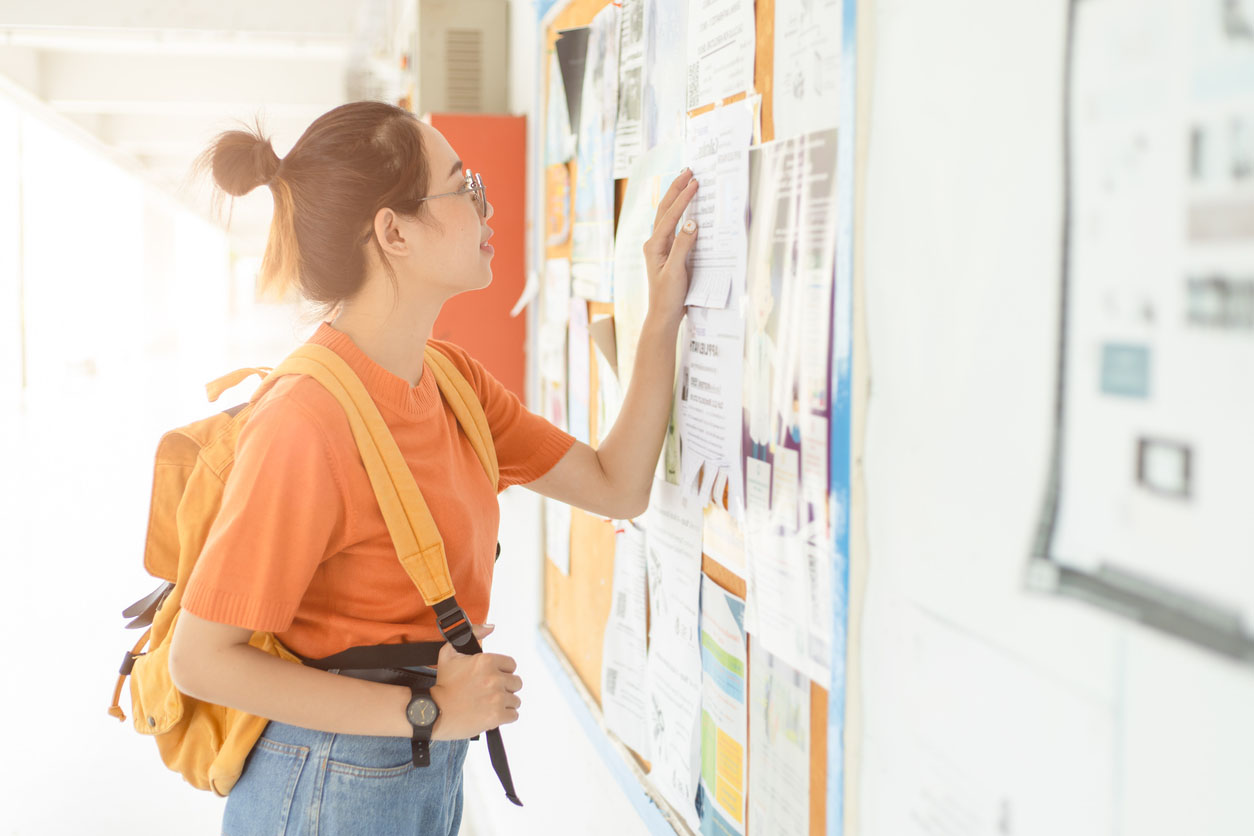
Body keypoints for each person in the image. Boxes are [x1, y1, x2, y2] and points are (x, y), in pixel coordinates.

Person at [168, 101, 699, 835]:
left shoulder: (453, 381)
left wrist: (662, 315)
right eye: (464, 186)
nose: (485, 205)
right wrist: (429, 712)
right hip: (328, 784)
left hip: (415, 764)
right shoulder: (305, 420)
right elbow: (201, 661)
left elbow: (618, 484)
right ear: (394, 232)